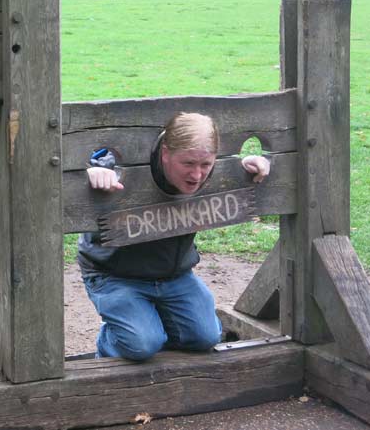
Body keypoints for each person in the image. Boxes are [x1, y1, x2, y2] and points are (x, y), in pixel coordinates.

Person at [78, 112, 270, 361]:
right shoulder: (118, 162)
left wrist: (247, 165)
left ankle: (149, 323)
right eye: (188, 164)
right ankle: (114, 341)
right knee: (143, 344)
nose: (197, 175)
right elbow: (81, 166)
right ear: (165, 153)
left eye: (206, 165)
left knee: (206, 337)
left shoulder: (211, 169)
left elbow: (230, 168)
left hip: (174, 274)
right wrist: (92, 173)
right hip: (114, 274)